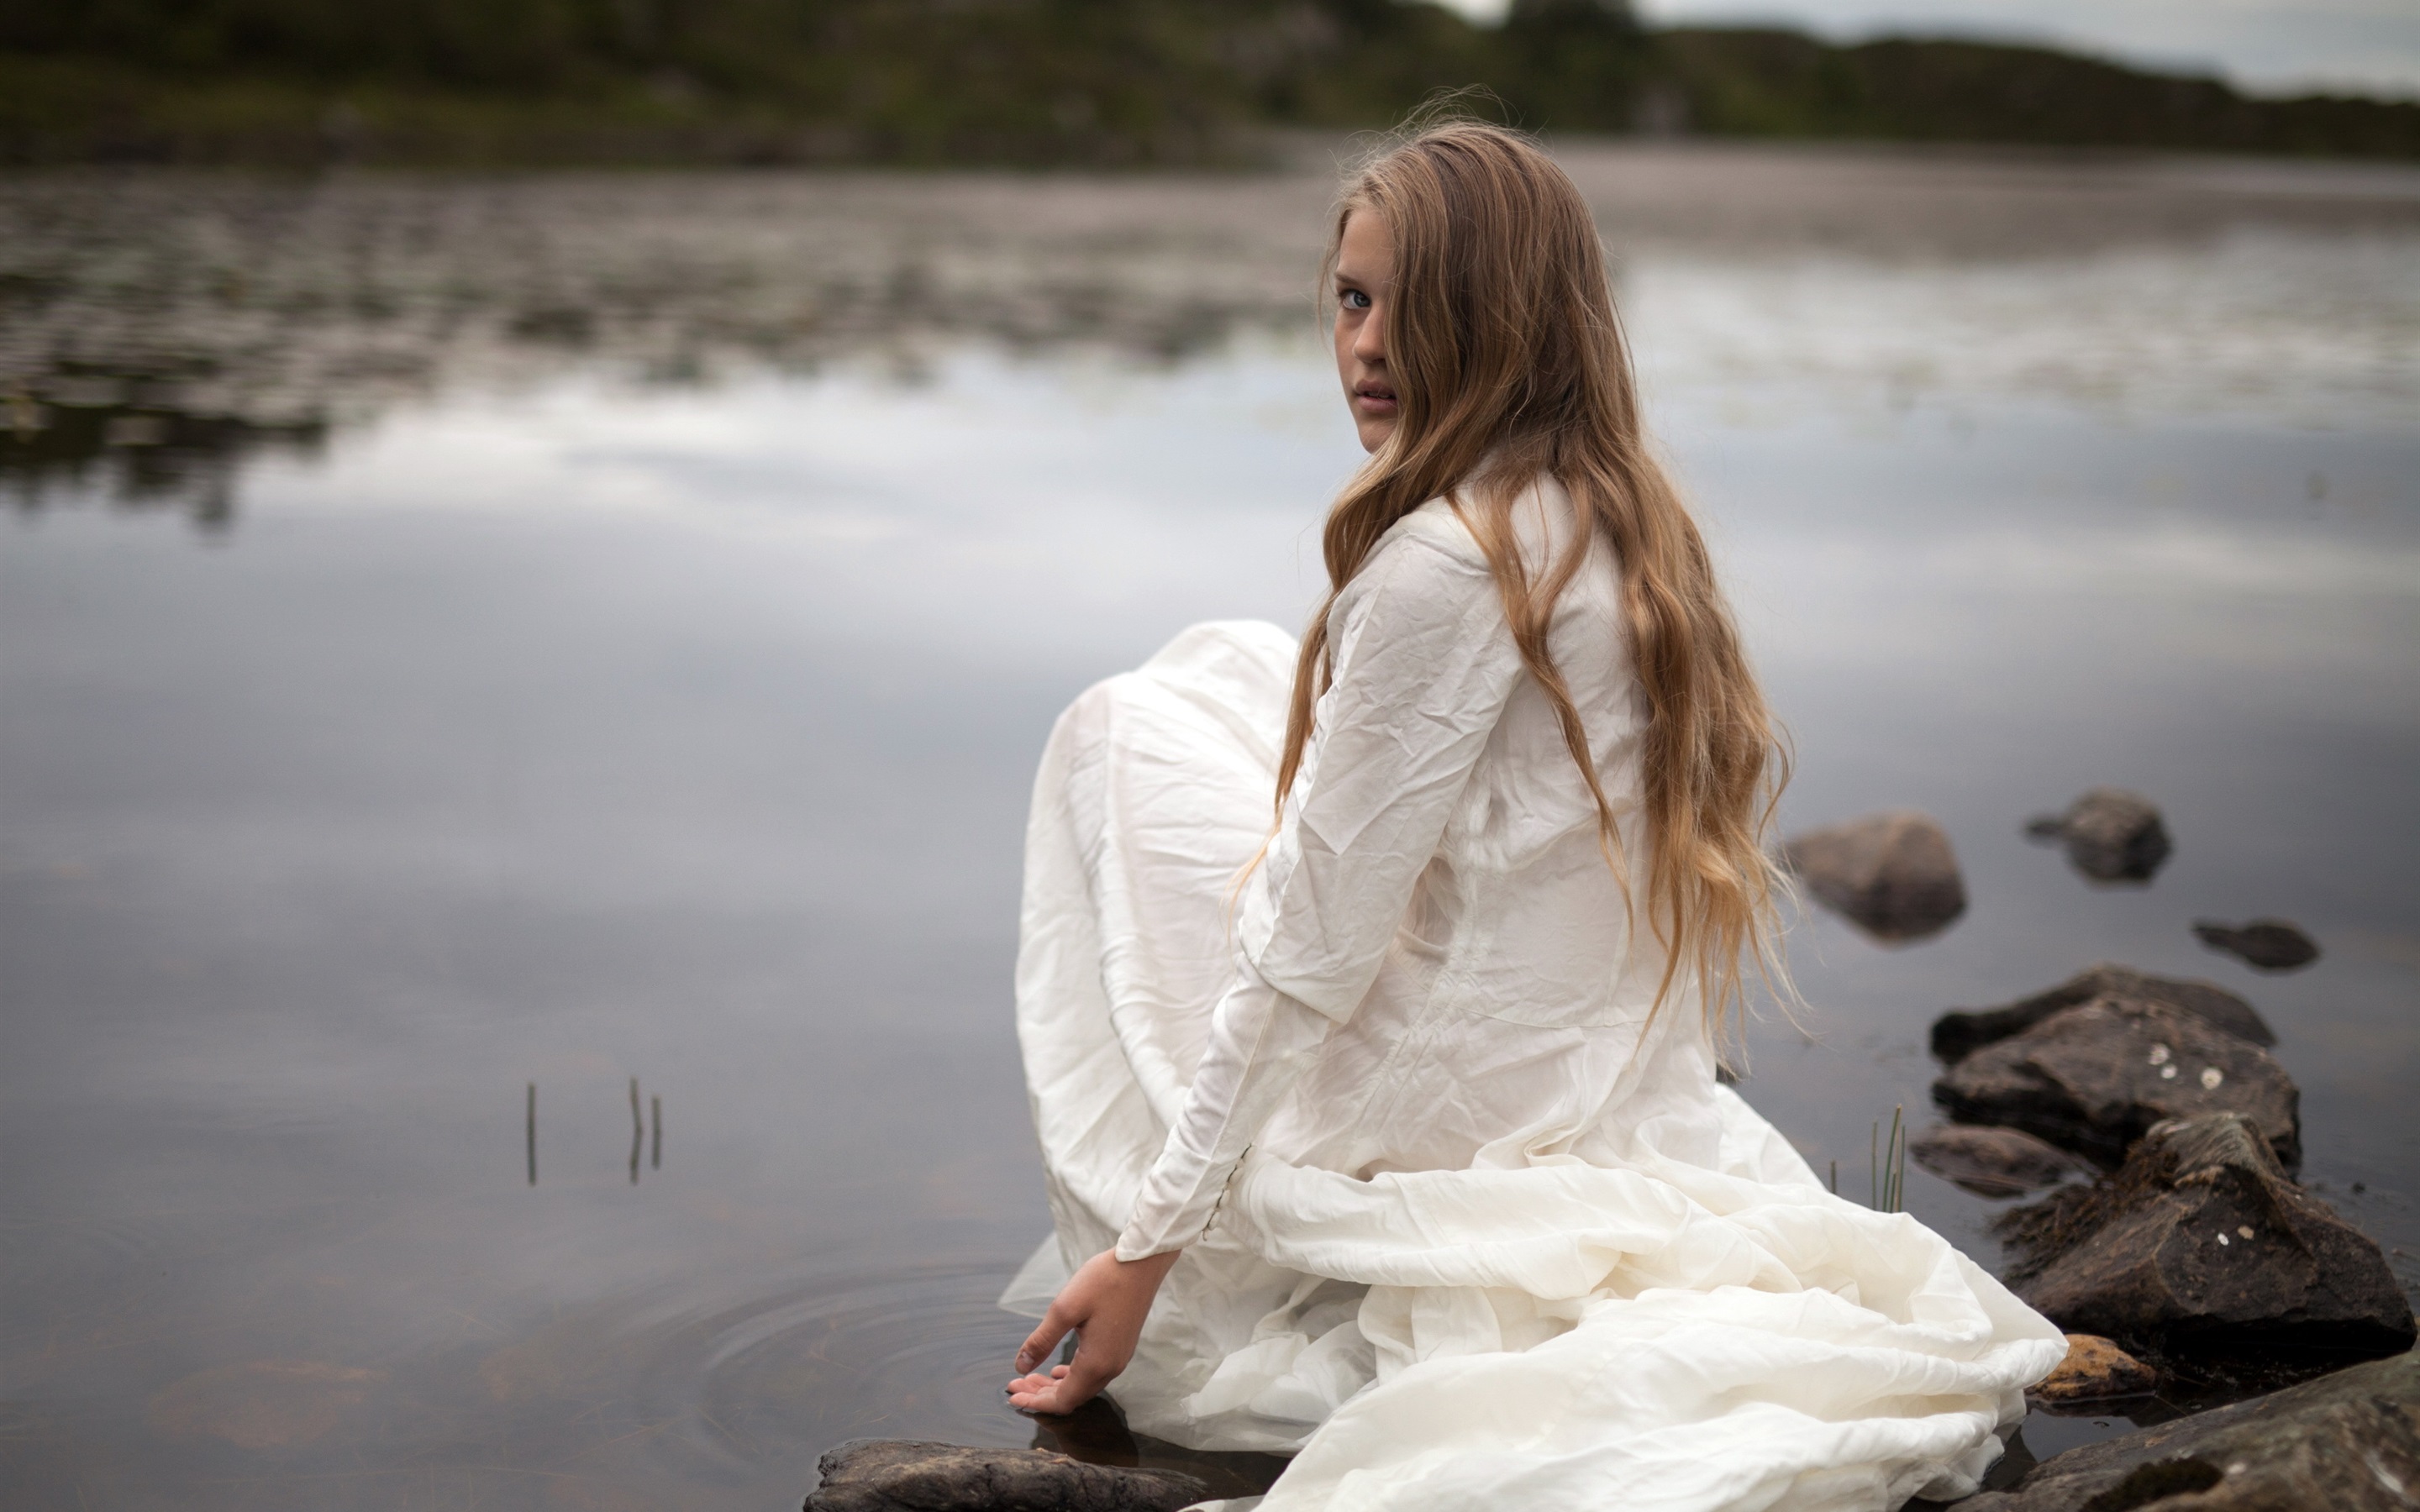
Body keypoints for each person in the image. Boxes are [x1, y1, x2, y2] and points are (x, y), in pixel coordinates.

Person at [1000, 119, 2065, 1511]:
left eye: (1410, 304)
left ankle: (1212, 1244)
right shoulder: (1614, 515)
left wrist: (1147, 1250)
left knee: (1115, 737)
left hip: (1433, 1104)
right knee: (1226, 668)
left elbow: (1309, 957)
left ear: (1503, 320)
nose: (1366, 346)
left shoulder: (1446, 564)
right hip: (1551, 1051)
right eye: (1350, 297)